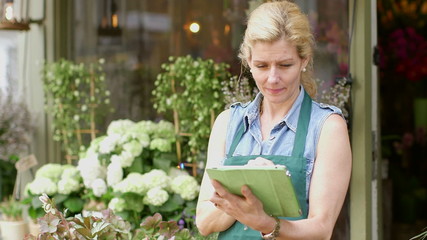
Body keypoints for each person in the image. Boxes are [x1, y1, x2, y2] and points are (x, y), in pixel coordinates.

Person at [196, 1, 352, 239]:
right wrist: (248, 190)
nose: (272, 78)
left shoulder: (326, 127)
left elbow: (321, 229)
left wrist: (266, 223)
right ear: (248, 61)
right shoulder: (228, 123)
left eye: (284, 65)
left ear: (304, 60)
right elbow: (204, 223)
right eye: (261, 65)